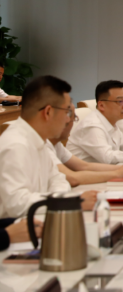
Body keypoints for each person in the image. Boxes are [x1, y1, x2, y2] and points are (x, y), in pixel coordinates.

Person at [0, 76, 96, 218]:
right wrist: (69, 202)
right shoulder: (15, 145)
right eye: (66, 112)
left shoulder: (41, 141)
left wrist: (60, 199)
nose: (68, 119)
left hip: (39, 219)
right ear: (48, 112)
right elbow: (17, 204)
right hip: (14, 227)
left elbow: (59, 180)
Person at [48, 104, 123, 187]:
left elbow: (84, 166)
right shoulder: (92, 124)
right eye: (71, 116)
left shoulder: (56, 144)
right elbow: (72, 178)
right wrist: (117, 174)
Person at [68, 80, 123, 165]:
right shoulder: (93, 126)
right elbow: (108, 158)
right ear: (101, 105)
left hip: (104, 170)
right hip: (84, 172)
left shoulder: (112, 121)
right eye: (120, 101)